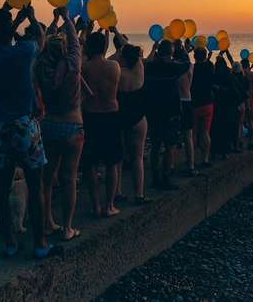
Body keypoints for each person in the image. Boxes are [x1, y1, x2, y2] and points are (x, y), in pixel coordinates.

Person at [0, 3, 59, 259]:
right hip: (25, 126)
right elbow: (41, 39)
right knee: (35, 186)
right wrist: (30, 18)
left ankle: (10, 243)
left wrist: (6, 22)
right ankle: (40, 243)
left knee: (1, 187)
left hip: (0, 127)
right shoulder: (24, 51)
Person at [35, 7, 84, 241]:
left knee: (47, 178)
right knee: (69, 178)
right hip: (73, 126)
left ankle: (47, 222)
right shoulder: (73, 65)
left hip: (49, 124)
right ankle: (67, 228)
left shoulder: (41, 67)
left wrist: (54, 21)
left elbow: (44, 45)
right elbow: (74, 43)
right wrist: (67, 18)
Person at [81, 29, 123, 217]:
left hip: (90, 115)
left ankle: (96, 206)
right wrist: (111, 31)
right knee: (111, 163)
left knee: (90, 164)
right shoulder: (114, 66)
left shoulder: (84, 67)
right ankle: (109, 205)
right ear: (105, 46)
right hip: (110, 115)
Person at [144, 39, 191, 189]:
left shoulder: (149, 67)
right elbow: (186, 64)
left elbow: (146, 62)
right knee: (170, 146)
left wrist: (153, 51)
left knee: (156, 147)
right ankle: (166, 178)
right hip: (171, 112)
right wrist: (182, 48)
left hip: (153, 112)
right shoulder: (172, 67)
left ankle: (155, 179)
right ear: (171, 52)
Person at [114, 40, 151, 204]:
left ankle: (117, 191)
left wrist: (117, 50)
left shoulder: (116, 71)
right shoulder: (139, 68)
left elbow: (111, 57)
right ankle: (139, 194)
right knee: (137, 158)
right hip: (138, 117)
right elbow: (131, 52)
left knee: (118, 158)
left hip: (121, 116)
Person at [210, 52, 241, 158]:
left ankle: (213, 152)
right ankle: (224, 152)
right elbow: (235, 92)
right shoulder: (229, 75)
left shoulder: (214, 75)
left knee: (215, 129)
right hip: (228, 107)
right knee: (226, 129)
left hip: (216, 106)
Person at [190, 47, 215, 168]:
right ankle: (205, 158)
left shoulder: (193, 68)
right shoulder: (209, 67)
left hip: (195, 103)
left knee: (193, 133)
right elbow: (207, 63)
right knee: (205, 132)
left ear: (194, 57)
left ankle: (192, 159)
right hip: (208, 103)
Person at [175, 43, 196, 176]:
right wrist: (186, 50)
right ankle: (191, 165)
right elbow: (186, 59)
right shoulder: (190, 67)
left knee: (174, 136)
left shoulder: (175, 68)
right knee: (188, 136)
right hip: (188, 101)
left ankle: (171, 164)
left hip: (178, 102)